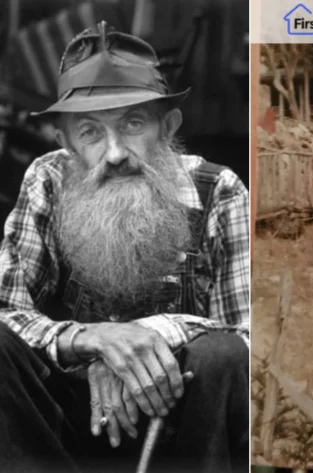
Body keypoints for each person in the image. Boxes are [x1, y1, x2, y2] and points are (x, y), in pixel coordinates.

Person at [0, 21, 249, 473]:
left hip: (180, 425)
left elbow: (253, 335)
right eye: (91, 132)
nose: (115, 154)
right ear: (67, 144)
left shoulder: (220, 191)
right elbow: (6, 311)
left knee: (225, 356)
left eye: (133, 123)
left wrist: (151, 335)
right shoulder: (48, 179)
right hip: (62, 429)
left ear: (167, 126)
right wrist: (90, 341)